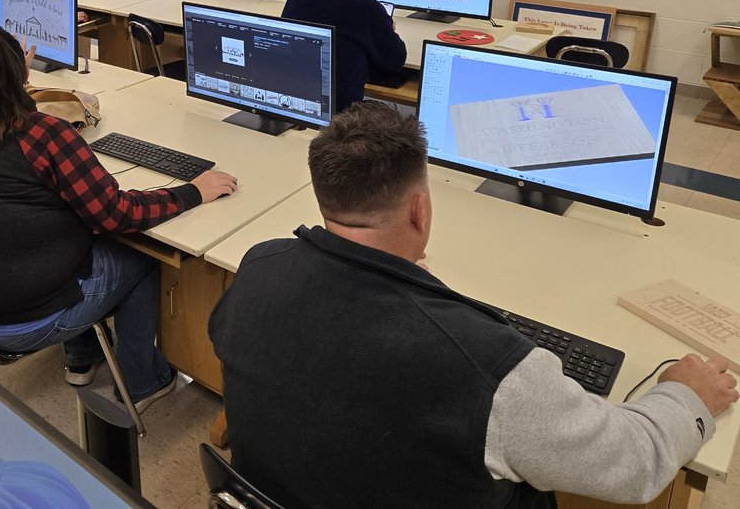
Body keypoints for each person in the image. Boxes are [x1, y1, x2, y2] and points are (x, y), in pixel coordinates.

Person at [209, 102, 738, 509]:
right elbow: (636, 464)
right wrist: (687, 396)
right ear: (420, 210)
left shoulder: (260, 266)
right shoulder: (491, 368)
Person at [0, 25, 237, 408]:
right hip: (26, 318)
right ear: (23, 72)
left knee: (59, 230)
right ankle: (142, 382)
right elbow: (116, 213)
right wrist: (193, 191)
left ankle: (82, 356)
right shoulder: (43, 134)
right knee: (140, 258)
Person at [281, 0, 406, 112]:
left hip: (293, 100)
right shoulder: (368, 8)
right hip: (342, 113)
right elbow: (394, 63)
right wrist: (389, 31)